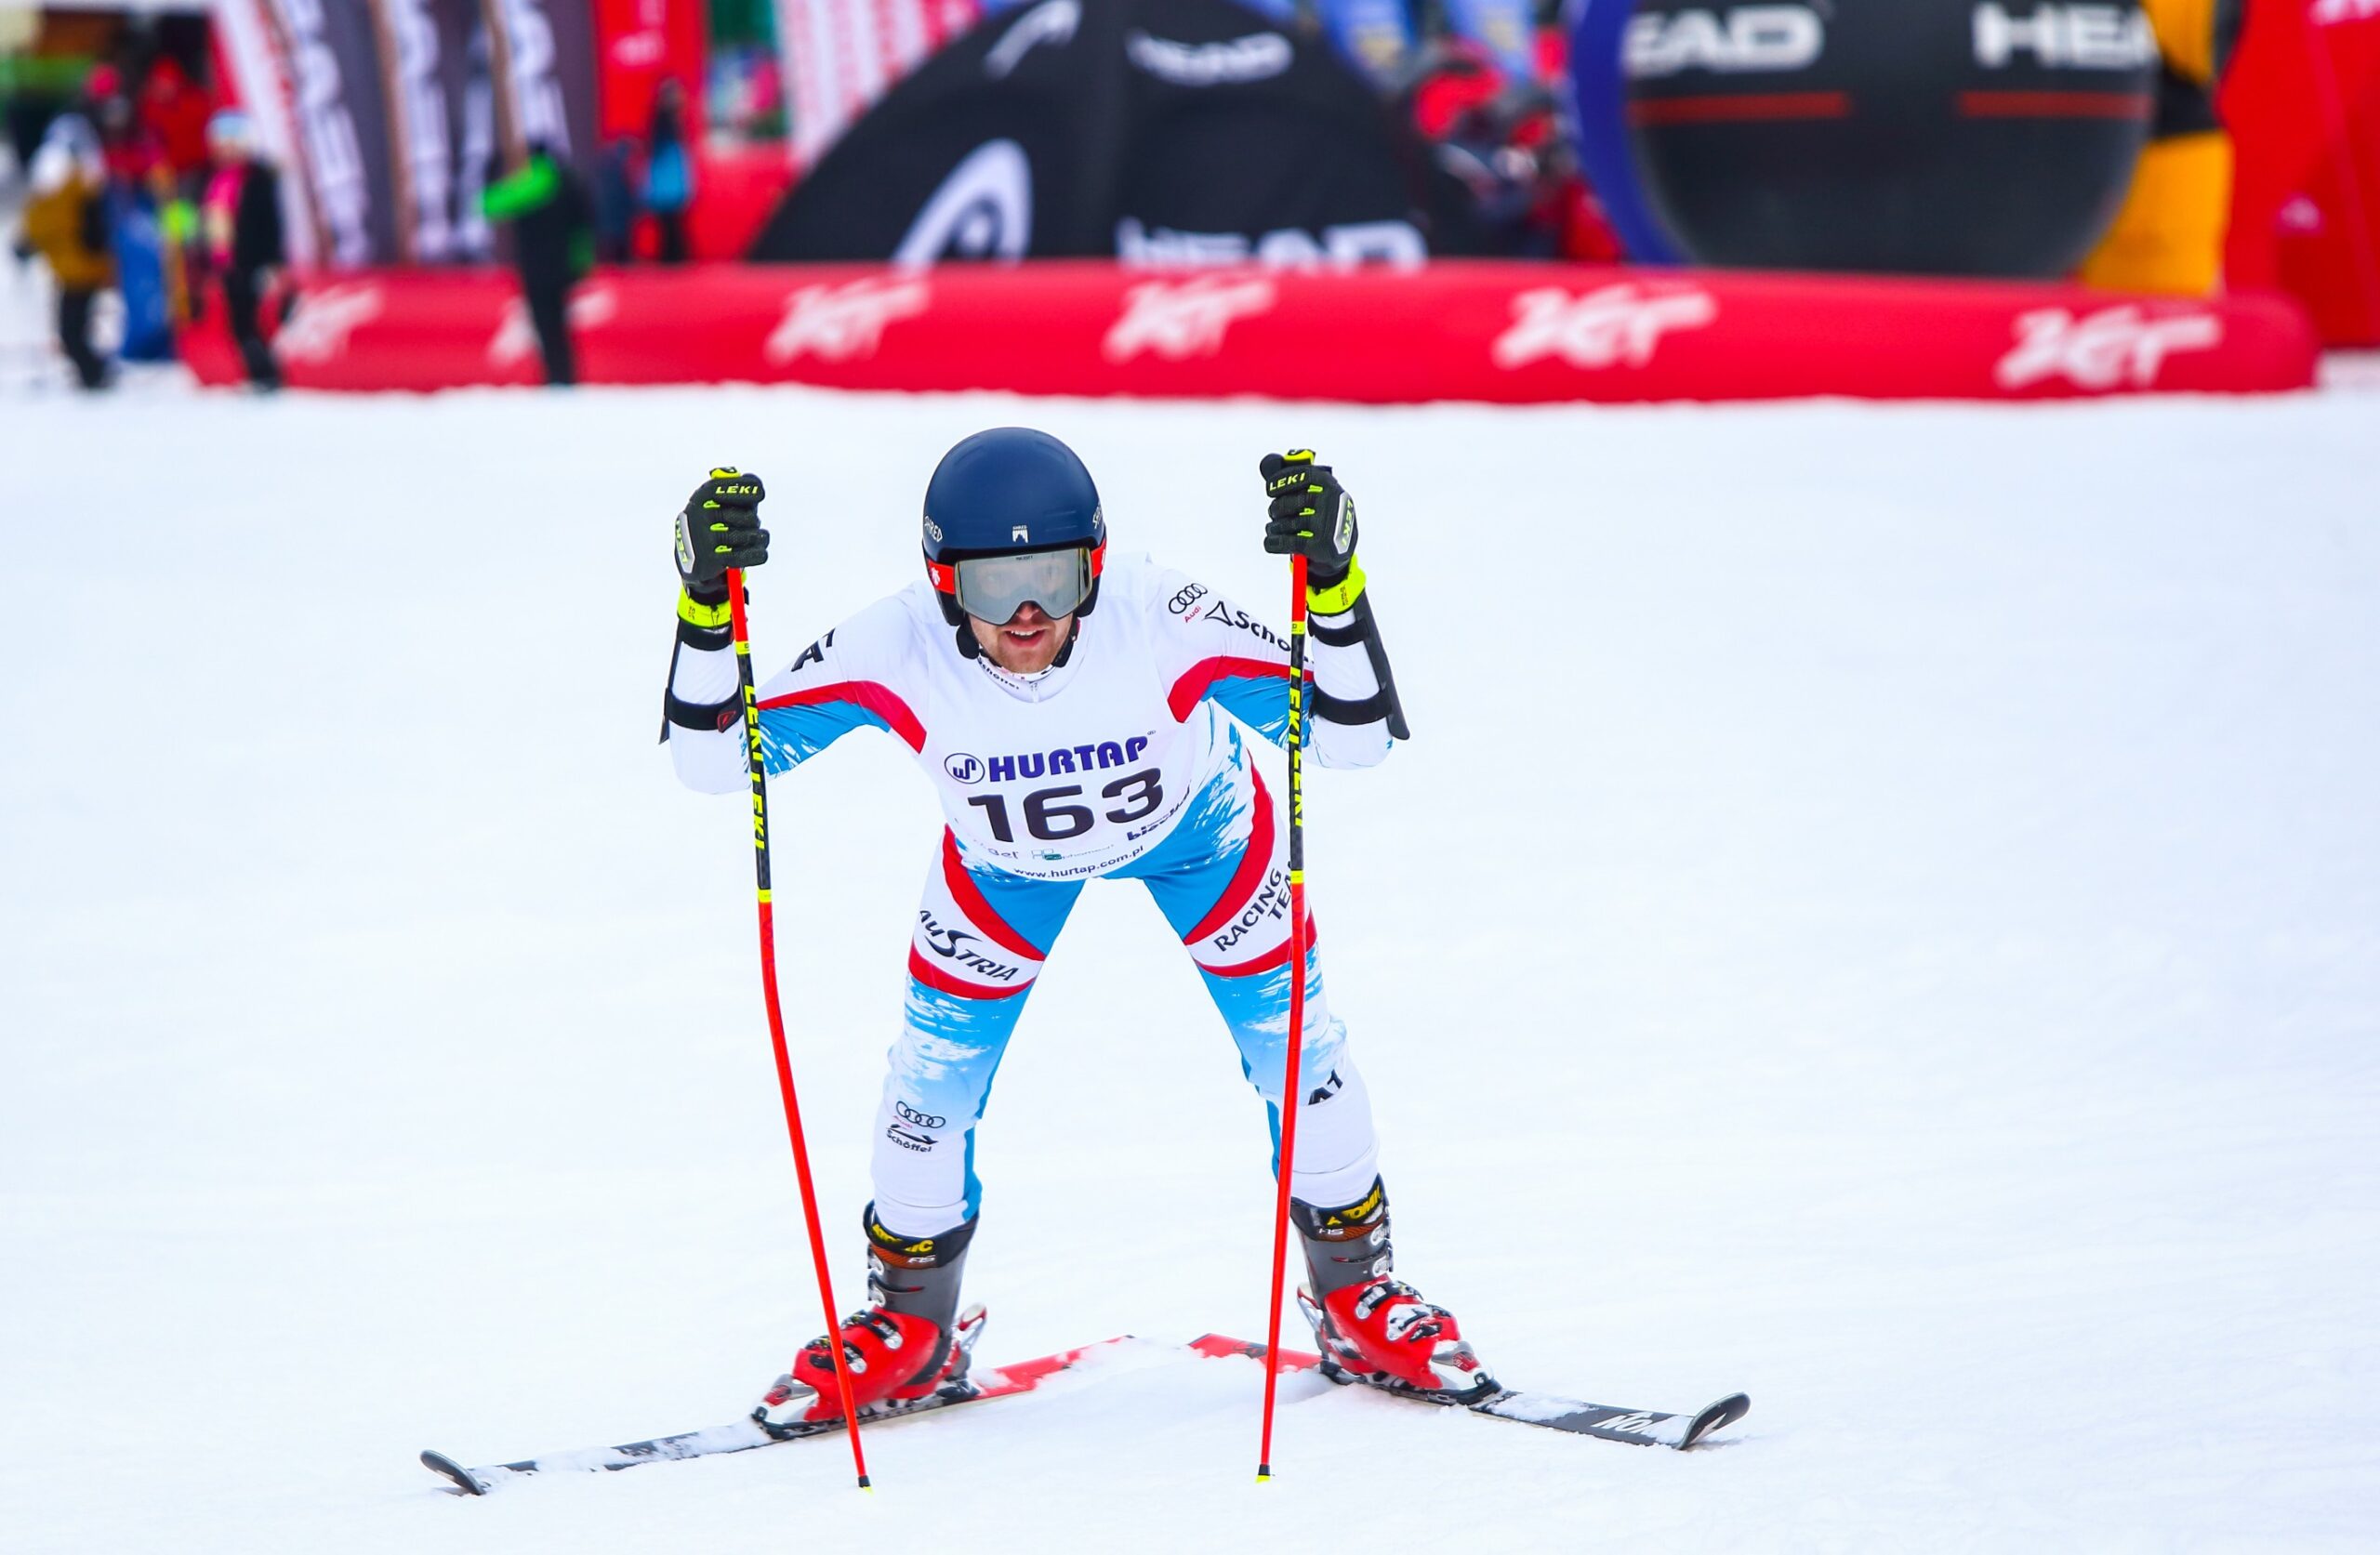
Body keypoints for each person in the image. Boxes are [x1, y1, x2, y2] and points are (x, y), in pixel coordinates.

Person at [660, 431, 1488, 1430]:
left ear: (1094, 564)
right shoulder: (898, 642)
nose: (1026, 613)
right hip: (1004, 868)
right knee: (929, 1084)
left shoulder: (1160, 615)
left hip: (1204, 838)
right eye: (992, 584)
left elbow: (1351, 741)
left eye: (1052, 579)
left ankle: (1356, 1297)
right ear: (942, 580)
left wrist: (1333, 585)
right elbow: (714, 762)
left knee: (1298, 1052)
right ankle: (912, 1327)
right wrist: (706, 607)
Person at [15, 109, 113, 390]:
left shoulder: (72, 184)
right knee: (73, 327)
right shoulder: (82, 181)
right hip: (73, 267)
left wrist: (28, 242)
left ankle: (93, 374)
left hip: (78, 268)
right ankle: (92, 372)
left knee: (71, 329)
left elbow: (47, 221)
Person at [481, 140, 593, 385]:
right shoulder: (568, 182)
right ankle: (566, 378)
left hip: (536, 270)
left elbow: (490, 204)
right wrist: (582, 263)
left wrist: (490, 172)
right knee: (560, 328)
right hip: (563, 268)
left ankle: (555, 378)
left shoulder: (531, 184)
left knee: (545, 326)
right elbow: (584, 226)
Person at [199, 110, 284, 390]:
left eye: (232, 144)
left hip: (251, 261)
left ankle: (266, 375)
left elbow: (270, 224)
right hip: (226, 262)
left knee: (249, 321)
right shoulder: (213, 178)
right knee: (236, 322)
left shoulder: (257, 179)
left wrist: (272, 262)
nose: (227, 150)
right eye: (222, 145)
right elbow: (206, 219)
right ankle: (257, 374)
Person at [641, 79, 694, 265]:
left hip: (669, 184)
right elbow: (660, 156)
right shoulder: (664, 123)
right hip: (667, 185)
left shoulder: (672, 123)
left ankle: (673, 259)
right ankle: (673, 259)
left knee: (671, 227)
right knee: (669, 227)